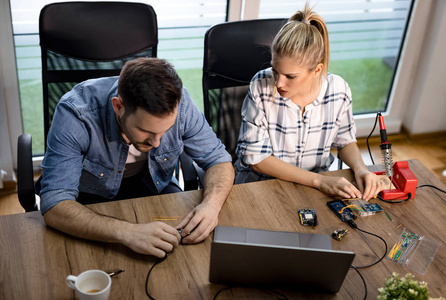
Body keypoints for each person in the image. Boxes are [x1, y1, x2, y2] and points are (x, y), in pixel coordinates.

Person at [35, 57, 234, 258]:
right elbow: (55, 204)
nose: (156, 143)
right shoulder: (76, 114)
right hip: (89, 197)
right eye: (145, 130)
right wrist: (127, 232)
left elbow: (218, 160)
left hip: (152, 184)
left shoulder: (180, 104)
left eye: (165, 130)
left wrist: (211, 205)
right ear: (118, 107)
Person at [235, 3, 383, 200]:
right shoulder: (261, 85)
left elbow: (345, 140)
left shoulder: (339, 90)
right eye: (275, 70)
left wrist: (361, 168)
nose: (279, 82)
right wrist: (319, 181)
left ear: (317, 70)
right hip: (263, 188)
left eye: (290, 76)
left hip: (314, 190)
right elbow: (256, 158)